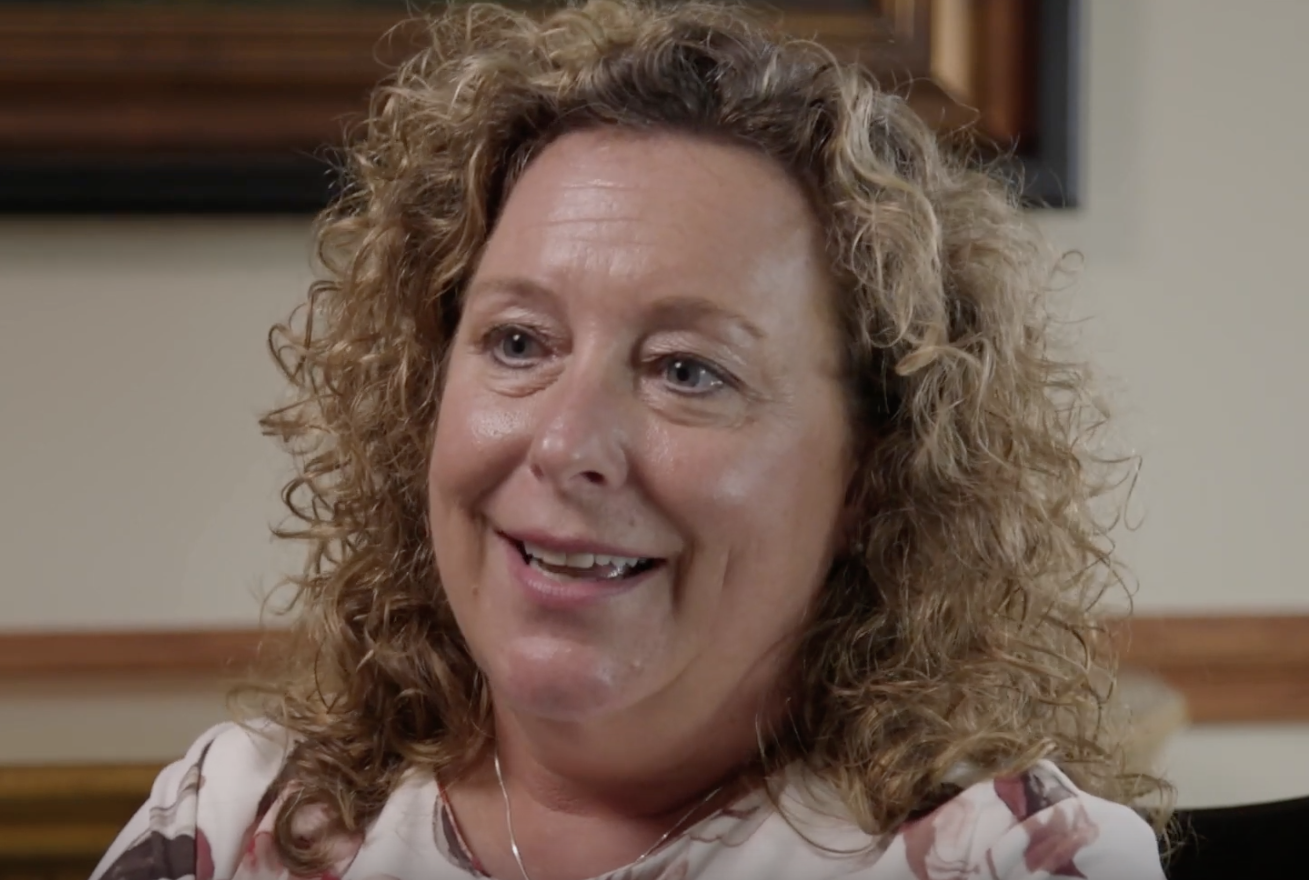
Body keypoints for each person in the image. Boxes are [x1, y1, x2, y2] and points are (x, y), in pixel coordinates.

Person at [92, 2, 1170, 878]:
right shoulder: (239, 825)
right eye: (518, 342)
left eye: (688, 371)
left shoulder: (1007, 860)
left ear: (873, 479)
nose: (566, 444)